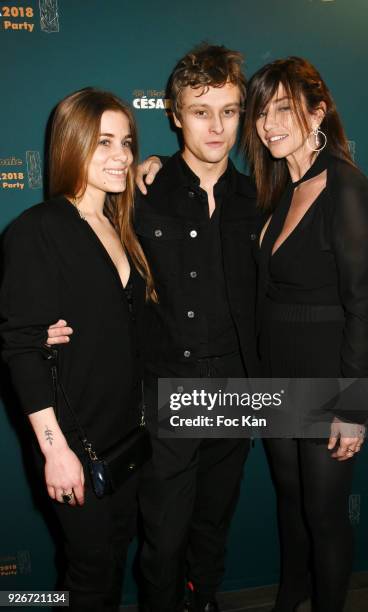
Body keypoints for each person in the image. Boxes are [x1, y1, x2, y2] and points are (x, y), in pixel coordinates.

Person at [46, 45, 260, 612]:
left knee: (213, 526)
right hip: (168, 390)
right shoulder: (139, 193)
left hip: (240, 389)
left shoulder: (258, 197)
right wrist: (47, 326)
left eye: (230, 111)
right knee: (162, 540)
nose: (216, 126)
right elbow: (87, 265)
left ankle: (204, 599)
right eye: (200, 110)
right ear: (174, 114)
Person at [0, 88, 154, 612]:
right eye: (103, 142)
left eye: (127, 142)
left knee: (110, 562)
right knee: (90, 577)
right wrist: (54, 450)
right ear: (71, 146)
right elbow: (21, 347)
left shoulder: (120, 225)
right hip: (75, 444)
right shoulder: (38, 230)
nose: (121, 156)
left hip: (127, 441)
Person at [242, 57, 368, 611]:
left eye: (283, 108)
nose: (268, 123)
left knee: (325, 518)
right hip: (278, 382)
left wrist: (356, 406)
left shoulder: (347, 187)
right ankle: (289, 599)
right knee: (291, 503)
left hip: (330, 386)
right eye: (261, 111)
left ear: (318, 111)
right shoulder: (282, 187)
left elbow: (363, 308)